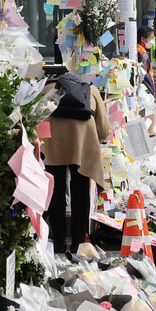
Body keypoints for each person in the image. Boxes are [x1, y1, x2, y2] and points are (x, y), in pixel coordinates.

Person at [41, 74, 110, 254]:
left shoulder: (46, 89)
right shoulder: (92, 90)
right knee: (80, 192)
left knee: (55, 192)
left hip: (51, 144)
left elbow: (36, 120)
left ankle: (58, 242)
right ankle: (79, 243)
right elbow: (104, 130)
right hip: (82, 147)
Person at [137, 27, 156, 95]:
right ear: (142, 39)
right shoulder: (143, 54)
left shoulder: (137, 49)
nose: (152, 41)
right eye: (151, 38)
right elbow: (142, 73)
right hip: (146, 87)